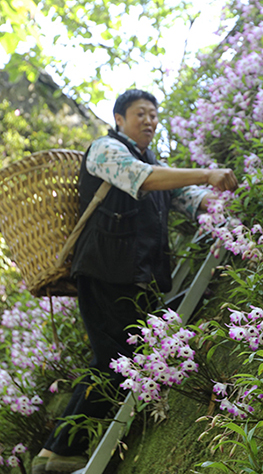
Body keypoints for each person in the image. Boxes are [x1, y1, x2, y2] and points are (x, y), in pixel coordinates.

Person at [32, 89, 238, 474]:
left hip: (134, 276)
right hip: (103, 270)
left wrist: (221, 203)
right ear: (119, 119)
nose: (149, 121)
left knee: (113, 359)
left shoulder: (152, 161)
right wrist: (207, 174)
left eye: (154, 115)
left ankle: (56, 452)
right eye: (140, 113)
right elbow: (141, 178)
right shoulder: (105, 150)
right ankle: (62, 451)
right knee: (115, 359)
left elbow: (183, 195)